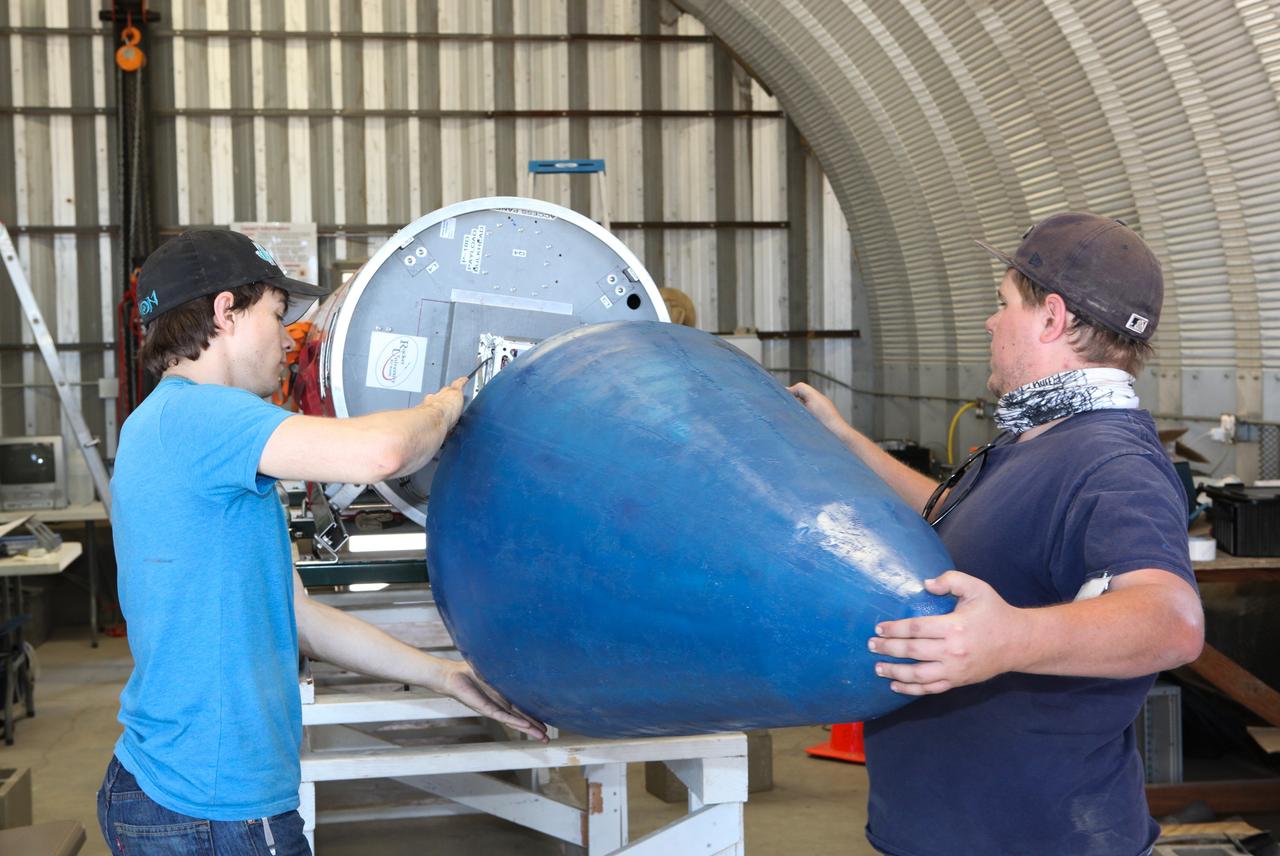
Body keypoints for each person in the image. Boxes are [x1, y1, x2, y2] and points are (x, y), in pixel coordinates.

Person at [97, 229, 546, 856]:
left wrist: (443, 676)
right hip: (215, 806)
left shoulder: (171, 427)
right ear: (225, 311)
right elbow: (383, 451)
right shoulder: (201, 418)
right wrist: (450, 402)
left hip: (178, 786)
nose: (287, 340)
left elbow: (299, 617)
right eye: (277, 315)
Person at [790, 212, 1204, 856]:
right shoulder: (1039, 439)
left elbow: (1171, 620)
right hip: (949, 830)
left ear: (1052, 318)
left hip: (1036, 839)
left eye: (1002, 302)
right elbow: (972, 517)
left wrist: (1009, 638)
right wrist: (846, 443)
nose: (989, 321)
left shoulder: (1111, 460)